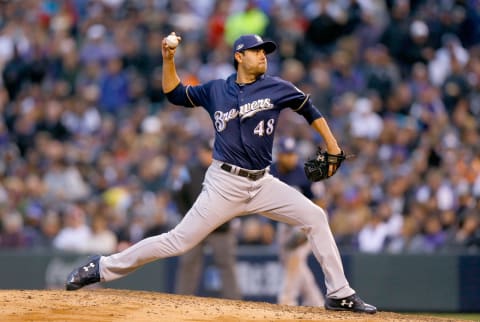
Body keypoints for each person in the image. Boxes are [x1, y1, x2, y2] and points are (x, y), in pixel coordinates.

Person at [65, 33, 376, 314]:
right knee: (177, 242)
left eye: (265, 51)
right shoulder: (216, 90)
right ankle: (101, 267)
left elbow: (309, 109)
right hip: (224, 183)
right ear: (239, 56)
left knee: (315, 218)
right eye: (256, 51)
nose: (263, 55)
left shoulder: (277, 87)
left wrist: (333, 146)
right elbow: (173, 93)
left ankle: (340, 293)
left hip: (262, 183)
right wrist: (169, 59)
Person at [172, 140, 241, 300]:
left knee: (226, 265)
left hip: (220, 227)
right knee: (188, 263)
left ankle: (235, 302)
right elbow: (178, 196)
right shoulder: (188, 171)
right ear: (200, 152)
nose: (211, 155)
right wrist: (187, 218)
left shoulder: (226, 171)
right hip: (195, 226)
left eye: (213, 151)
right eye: (208, 151)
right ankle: (181, 301)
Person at [271, 137, 325, 307]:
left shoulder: (304, 172)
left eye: (292, 154)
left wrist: (310, 226)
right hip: (284, 224)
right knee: (292, 264)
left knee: (295, 259)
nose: (290, 158)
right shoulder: (270, 171)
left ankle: (287, 300)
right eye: (286, 154)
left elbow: (320, 201)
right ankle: (315, 301)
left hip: (305, 224)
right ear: (279, 155)